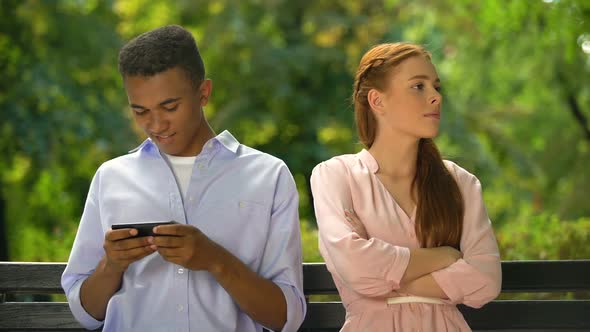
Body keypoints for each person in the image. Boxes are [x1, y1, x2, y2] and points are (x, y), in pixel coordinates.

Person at [61, 25, 306, 332]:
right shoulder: (111, 178)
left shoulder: (268, 176)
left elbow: (287, 318)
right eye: (141, 112)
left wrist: (216, 260)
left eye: (170, 107)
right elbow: (85, 314)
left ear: (203, 93)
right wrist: (112, 265)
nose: (156, 124)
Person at [309, 42, 502, 331]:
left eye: (436, 87)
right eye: (418, 87)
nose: (436, 97)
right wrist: (444, 256)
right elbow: (355, 266)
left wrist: (383, 281)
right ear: (377, 101)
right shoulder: (336, 176)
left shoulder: (461, 183)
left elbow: (486, 279)